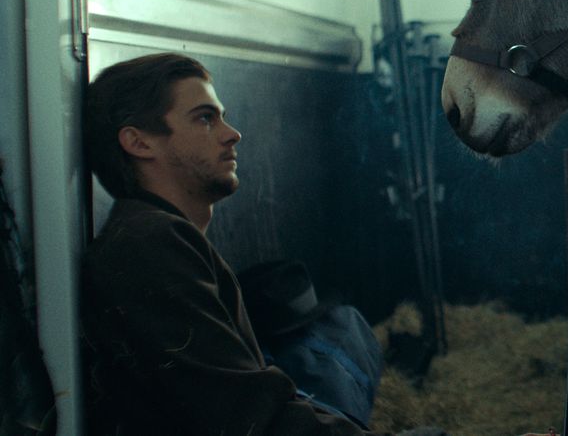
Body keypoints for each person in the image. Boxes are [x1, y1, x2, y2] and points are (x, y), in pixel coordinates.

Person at [81, 52, 442, 436]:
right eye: (205, 118)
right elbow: (253, 422)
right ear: (139, 142)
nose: (232, 133)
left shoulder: (156, 233)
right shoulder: (149, 244)